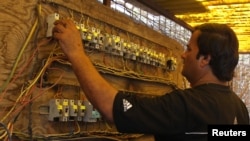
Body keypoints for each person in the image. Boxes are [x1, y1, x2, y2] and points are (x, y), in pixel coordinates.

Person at [52, 19, 249, 141]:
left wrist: (76, 52)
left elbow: (112, 106)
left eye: (189, 49)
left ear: (205, 59)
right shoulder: (239, 110)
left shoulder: (186, 105)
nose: (182, 55)